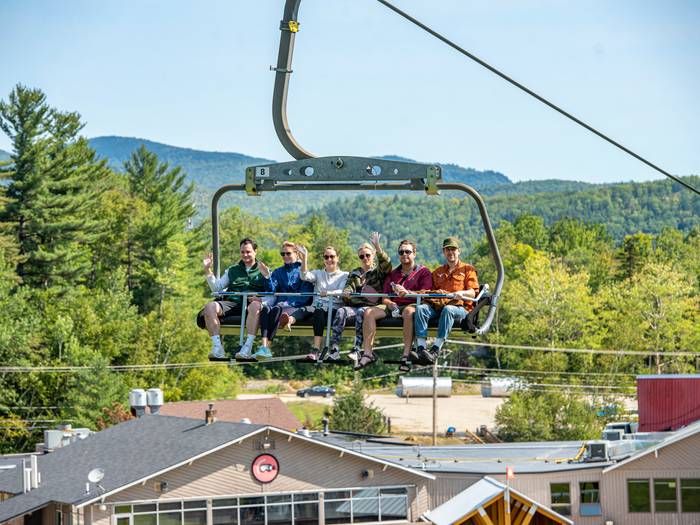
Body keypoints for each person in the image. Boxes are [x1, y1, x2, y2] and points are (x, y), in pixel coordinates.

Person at [355, 239, 432, 370]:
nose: (404, 255)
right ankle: (367, 353)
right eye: (401, 252)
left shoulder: (423, 272)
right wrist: (390, 304)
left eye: (408, 252)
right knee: (369, 312)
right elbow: (385, 297)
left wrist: (407, 293)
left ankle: (406, 355)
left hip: (413, 303)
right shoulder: (393, 274)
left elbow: (426, 293)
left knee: (408, 312)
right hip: (394, 305)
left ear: (414, 253)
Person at [197, 238, 270, 359]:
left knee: (256, 305)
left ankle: (247, 348)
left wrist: (266, 278)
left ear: (255, 251)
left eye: (248, 252)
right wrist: (207, 270)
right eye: (242, 252)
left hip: (251, 305)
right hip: (233, 303)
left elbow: (270, 291)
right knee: (209, 307)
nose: (245, 255)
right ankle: (217, 348)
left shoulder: (263, 270)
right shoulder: (233, 270)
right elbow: (217, 288)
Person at [412, 236, 479, 365]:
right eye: (447, 250)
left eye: (453, 249)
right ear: (444, 252)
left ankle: (436, 349)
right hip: (439, 306)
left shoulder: (467, 269)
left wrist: (461, 293)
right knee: (420, 309)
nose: (450, 252)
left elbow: (473, 292)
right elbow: (428, 291)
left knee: (448, 310)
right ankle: (421, 348)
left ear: (459, 251)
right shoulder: (438, 272)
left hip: (460, 308)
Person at [279, 245, 348, 361]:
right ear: (323, 259)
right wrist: (305, 259)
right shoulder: (318, 273)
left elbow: (342, 291)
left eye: (332, 256)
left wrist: (328, 293)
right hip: (316, 306)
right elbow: (304, 276)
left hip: (333, 307)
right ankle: (289, 321)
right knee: (304, 309)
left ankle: (315, 349)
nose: (329, 259)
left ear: (337, 258)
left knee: (318, 312)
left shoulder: (344, 275)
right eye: (326, 257)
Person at [331, 232, 392, 363]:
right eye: (362, 256)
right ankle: (334, 347)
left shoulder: (378, 272)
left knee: (361, 313)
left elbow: (387, 264)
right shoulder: (355, 273)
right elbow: (348, 286)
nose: (365, 258)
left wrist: (378, 247)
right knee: (341, 311)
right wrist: (346, 293)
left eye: (368, 255)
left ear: (373, 255)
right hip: (354, 304)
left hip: (370, 306)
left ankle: (357, 348)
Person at [252, 241, 314, 360]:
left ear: (296, 254)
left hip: (294, 305)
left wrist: (289, 302)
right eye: (282, 254)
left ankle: (267, 348)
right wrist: (266, 276)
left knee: (276, 309)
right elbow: (271, 290)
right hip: (280, 304)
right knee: (265, 309)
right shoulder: (278, 272)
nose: (285, 256)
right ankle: (264, 347)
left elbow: (305, 295)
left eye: (288, 253)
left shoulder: (303, 272)